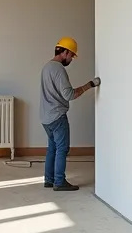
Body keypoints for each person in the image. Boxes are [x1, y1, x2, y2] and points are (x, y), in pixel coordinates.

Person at [39, 37, 99, 191]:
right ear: (65, 52)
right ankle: (59, 182)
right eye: (71, 55)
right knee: (62, 149)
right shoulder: (58, 69)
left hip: (46, 117)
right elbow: (69, 95)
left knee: (52, 148)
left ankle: (49, 180)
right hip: (57, 116)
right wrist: (89, 85)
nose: (71, 59)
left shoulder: (46, 67)